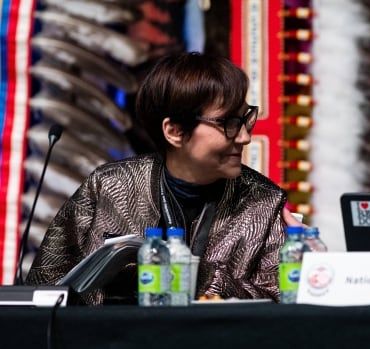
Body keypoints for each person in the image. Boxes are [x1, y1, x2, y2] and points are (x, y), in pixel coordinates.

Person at [26, 52, 300, 304]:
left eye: (245, 118)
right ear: (175, 132)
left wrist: (202, 279)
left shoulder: (264, 202)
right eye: (229, 123)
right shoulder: (108, 186)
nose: (245, 136)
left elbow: (280, 304)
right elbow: (42, 289)